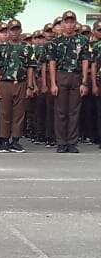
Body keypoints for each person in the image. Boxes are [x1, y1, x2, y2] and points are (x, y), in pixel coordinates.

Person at [48, 10, 90, 153]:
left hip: (76, 76)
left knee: (74, 111)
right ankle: (61, 142)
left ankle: (72, 142)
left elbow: (85, 60)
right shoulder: (55, 42)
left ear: (75, 23)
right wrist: (53, 83)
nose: (70, 24)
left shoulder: (82, 40)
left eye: (72, 21)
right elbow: (52, 63)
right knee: (60, 111)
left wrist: (84, 81)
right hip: (61, 75)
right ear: (63, 23)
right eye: (67, 21)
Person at [0, 19, 32, 153]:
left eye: (17, 29)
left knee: (19, 113)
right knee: (4, 112)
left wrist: (30, 86)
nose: (14, 32)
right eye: (12, 29)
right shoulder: (1, 48)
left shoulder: (26, 48)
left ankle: (15, 140)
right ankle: (4, 140)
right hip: (5, 83)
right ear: (8, 31)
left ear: (20, 31)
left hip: (21, 82)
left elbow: (30, 68)